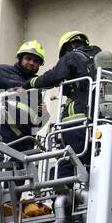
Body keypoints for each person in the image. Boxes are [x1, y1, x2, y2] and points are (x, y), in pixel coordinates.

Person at [27, 31, 105, 174]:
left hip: (77, 118)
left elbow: (53, 76)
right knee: (89, 161)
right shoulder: (104, 61)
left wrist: (30, 83)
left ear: (69, 46)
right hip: (102, 122)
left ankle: (59, 190)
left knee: (70, 158)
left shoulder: (72, 56)